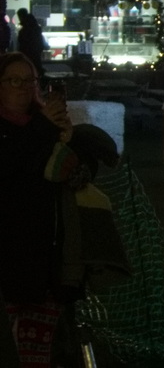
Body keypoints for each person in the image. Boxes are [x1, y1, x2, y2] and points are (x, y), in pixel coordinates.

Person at [0, 50, 80, 367]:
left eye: (28, 80)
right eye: (12, 80)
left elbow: (66, 169)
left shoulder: (43, 125)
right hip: (10, 258)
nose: (21, 87)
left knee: (40, 350)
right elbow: (11, 166)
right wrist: (46, 129)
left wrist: (74, 151)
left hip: (47, 256)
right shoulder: (30, 129)